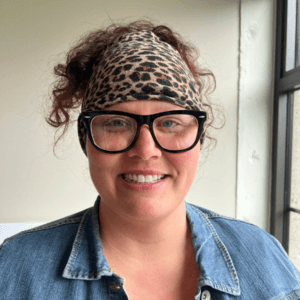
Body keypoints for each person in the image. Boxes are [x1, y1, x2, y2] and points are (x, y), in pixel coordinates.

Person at [0, 20, 300, 300]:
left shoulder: (263, 259)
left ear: (199, 137)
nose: (145, 150)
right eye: (117, 123)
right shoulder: (15, 271)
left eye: (170, 123)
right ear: (87, 139)